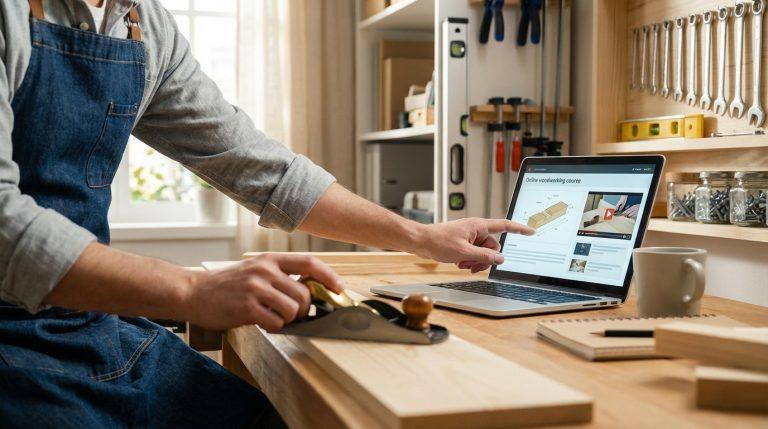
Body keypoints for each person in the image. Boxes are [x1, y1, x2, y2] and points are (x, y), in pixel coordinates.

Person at [0, 0, 534, 427]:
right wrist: (194, 292)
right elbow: (6, 230)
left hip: (85, 327)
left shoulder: (146, 25)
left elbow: (261, 167)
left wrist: (422, 236)